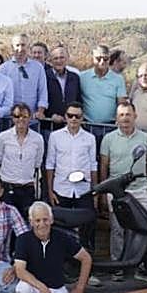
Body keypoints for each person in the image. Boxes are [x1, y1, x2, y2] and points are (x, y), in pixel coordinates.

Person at [14, 202, 92, 293]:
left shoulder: (62, 237)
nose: (42, 224)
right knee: (22, 288)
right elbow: (20, 271)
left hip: (57, 289)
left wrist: (79, 289)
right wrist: (43, 288)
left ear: (51, 220)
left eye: (45, 219)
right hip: (35, 288)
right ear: (31, 222)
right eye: (37, 220)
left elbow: (86, 259)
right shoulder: (23, 240)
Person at [99, 102, 147, 279]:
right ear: (116, 118)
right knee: (117, 231)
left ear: (135, 116)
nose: (125, 118)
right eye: (121, 115)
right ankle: (117, 266)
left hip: (140, 190)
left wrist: (139, 175)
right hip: (116, 193)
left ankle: (146, 267)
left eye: (128, 114)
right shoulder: (108, 139)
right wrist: (104, 193)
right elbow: (104, 166)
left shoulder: (144, 138)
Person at [44, 102, 98, 255]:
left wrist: (95, 192)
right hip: (61, 188)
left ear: (82, 118)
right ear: (66, 117)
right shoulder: (55, 137)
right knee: (59, 229)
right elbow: (50, 164)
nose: (73, 119)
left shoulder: (90, 138)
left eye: (77, 116)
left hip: (83, 190)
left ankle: (88, 259)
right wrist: (50, 191)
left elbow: (93, 165)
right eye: (70, 115)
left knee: (88, 227)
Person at [0, 103, 44, 221]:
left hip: (28, 189)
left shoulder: (38, 139)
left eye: (24, 116)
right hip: (8, 188)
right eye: (17, 116)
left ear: (30, 117)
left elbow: (37, 164)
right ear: (12, 118)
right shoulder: (3, 137)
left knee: (26, 223)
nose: (21, 119)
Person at [78, 45, 126, 148]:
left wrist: (121, 118)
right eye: (98, 58)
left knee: (107, 155)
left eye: (105, 59)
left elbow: (121, 102)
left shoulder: (118, 79)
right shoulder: (82, 77)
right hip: (87, 126)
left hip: (110, 126)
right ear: (92, 58)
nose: (102, 62)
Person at [0, 34, 48, 124]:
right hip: (10, 119)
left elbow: (42, 92)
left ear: (28, 47)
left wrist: (40, 111)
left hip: (31, 119)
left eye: (23, 45)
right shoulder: (4, 68)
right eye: (17, 45)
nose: (20, 49)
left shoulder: (38, 68)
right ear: (12, 47)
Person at [43, 45, 81, 131]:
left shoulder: (75, 77)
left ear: (67, 59)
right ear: (50, 60)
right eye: (55, 58)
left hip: (70, 125)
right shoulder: (44, 76)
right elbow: (40, 99)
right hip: (49, 125)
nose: (59, 61)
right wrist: (50, 115)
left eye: (62, 57)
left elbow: (78, 100)